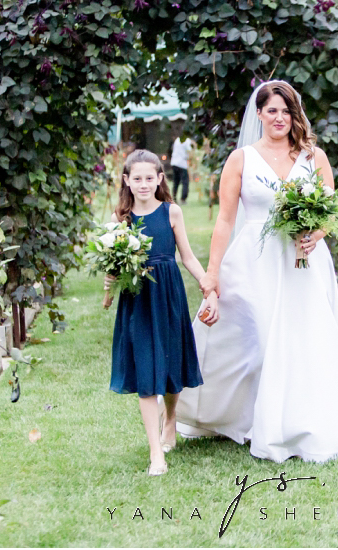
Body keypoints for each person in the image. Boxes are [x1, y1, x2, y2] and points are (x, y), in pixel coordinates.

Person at [175, 80, 338, 463]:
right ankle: (236, 416)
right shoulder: (241, 159)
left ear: (296, 115)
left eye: (287, 111)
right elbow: (225, 221)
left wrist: (317, 234)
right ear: (259, 114)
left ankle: (300, 423)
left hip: (302, 265)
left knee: (304, 342)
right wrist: (212, 274)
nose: (280, 118)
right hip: (254, 263)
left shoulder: (313, 157)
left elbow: (331, 208)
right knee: (252, 343)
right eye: (272, 110)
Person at [104, 149, 219, 476]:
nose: (143, 184)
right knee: (146, 373)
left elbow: (187, 257)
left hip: (168, 294)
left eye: (149, 178)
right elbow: (112, 266)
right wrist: (108, 292)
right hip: (137, 298)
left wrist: (207, 284)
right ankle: (157, 454)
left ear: (159, 179)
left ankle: (171, 421)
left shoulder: (172, 213)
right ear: (126, 180)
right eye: (136, 178)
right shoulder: (120, 220)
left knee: (168, 364)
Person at [169, 135, 193, 204]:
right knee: (185, 182)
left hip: (174, 162)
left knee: (176, 181)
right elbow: (190, 151)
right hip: (182, 163)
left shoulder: (177, 140)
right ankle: (183, 199)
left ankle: (174, 197)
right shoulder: (187, 140)